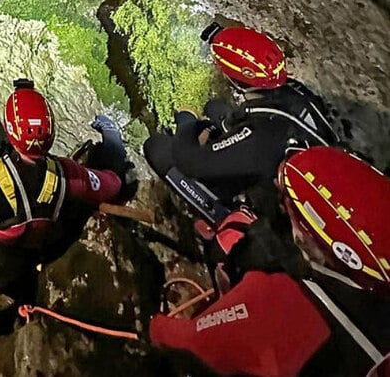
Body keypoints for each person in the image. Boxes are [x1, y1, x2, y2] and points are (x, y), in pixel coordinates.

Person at [149, 146, 390, 377]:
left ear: (310, 238)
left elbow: (187, 342)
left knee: (228, 240)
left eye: (288, 202)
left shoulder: (273, 298)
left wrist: (154, 327)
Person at [0, 78, 133, 296]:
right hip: (29, 257)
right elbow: (112, 185)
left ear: (10, 129)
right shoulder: (67, 176)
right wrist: (112, 138)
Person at [144, 23, 339, 204]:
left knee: (157, 148)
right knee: (214, 108)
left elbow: (190, 162)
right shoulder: (296, 90)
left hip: (276, 189)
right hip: (299, 151)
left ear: (237, 80)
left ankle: (226, 212)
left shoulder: (256, 134)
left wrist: (186, 121)